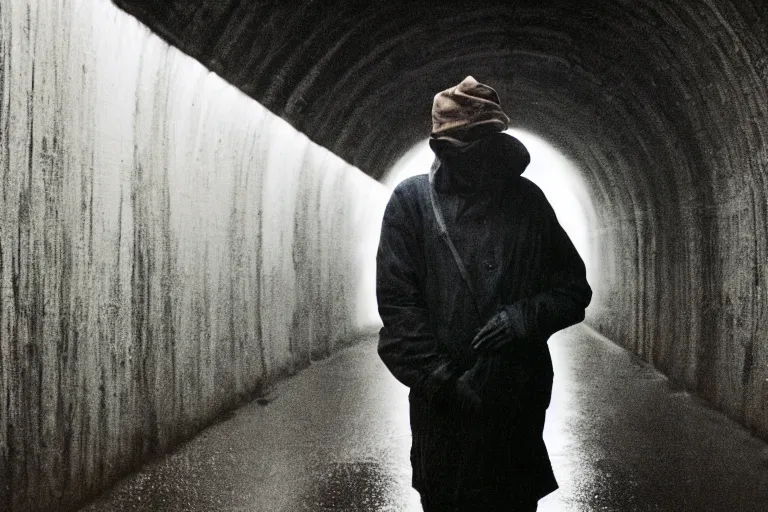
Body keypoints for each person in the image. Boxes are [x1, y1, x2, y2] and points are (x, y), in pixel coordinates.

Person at [376, 76, 592, 511]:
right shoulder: (411, 204)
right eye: (467, 151)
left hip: (515, 406)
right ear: (444, 150)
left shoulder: (527, 203)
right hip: (444, 416)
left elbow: (573, 290)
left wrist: (522, 318)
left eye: (486, 148)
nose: (479, 163)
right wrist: (449, 385)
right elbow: (400, 313)